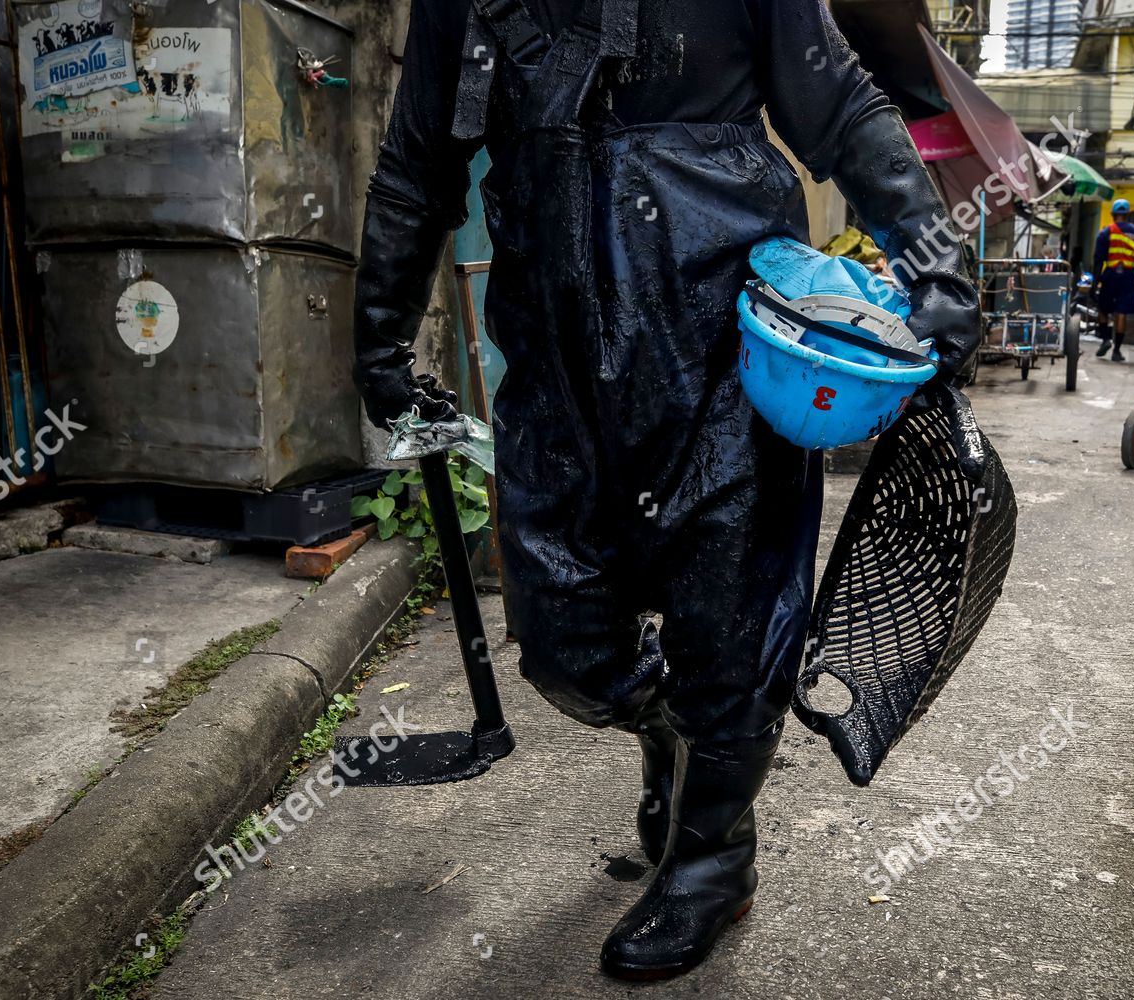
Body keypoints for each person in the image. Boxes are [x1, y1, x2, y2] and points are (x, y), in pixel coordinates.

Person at [353, 0, 979, 980]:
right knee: (562, 644)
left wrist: (935, 258)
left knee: (734, 633)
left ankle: (713, 857)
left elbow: (845, 110)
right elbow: (415, 164)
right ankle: (668, 728)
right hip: (557, 361)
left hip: (722, 346)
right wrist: (379, 329)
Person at [1092, 198, 1134, 362]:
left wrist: (1094, 283)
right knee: (1121, 313)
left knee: (1103, 309)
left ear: (1112, 214)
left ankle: (1106, 340)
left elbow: (1098, 260)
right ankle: (1116, 351)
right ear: (1127, 214)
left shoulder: (1105, 233)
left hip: (1111, 274)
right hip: (1128, 275)